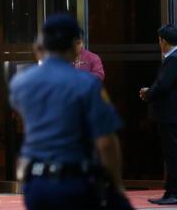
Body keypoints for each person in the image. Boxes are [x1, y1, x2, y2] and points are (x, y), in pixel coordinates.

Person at [9, 14, 133, 210]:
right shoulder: (87, 84)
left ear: (41, 44)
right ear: (75, 45)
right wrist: (116, 185)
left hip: (35, 184)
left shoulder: (20, 83)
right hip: (74, 181)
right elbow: (106, 142)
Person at [139, 24, 177, 205]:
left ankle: (173, 193)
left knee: (172, 154)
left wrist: (148, 93)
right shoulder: (171, 58)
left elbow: (163, 85)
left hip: (170, 115)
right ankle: (170, 191)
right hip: (170, 115)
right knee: (171, 154)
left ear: (163, 41)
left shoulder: (173, 59)